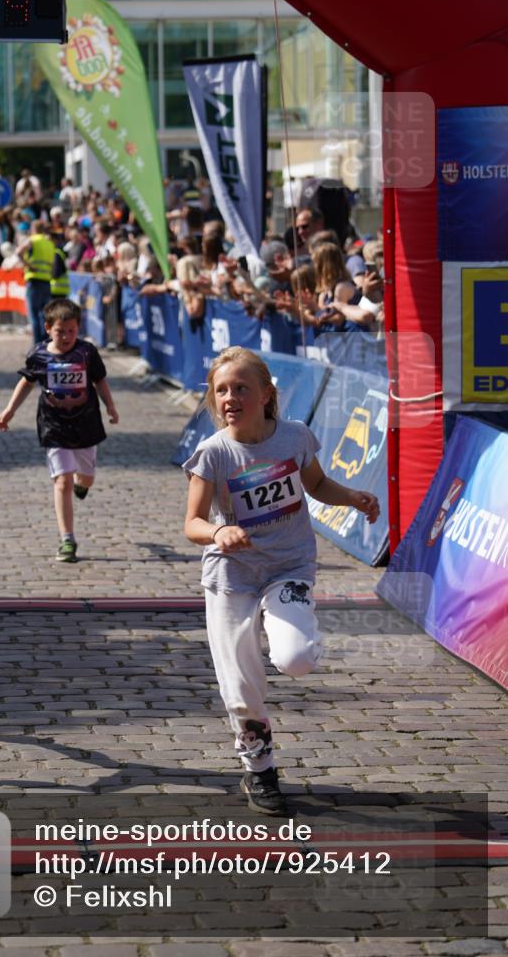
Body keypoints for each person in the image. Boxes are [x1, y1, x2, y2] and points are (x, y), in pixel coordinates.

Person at [183, 347, 379, 814]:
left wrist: (350, 496)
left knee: (294, 658)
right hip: (231, 576)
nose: (231, 397)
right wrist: (219, 530)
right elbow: (191, 522)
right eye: (222, 390)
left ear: (268, 394)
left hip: (288, 566)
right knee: (240, 686)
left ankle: (292, 627)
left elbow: (316, 485)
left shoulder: (294, 437)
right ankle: (260, 771)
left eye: (242, 388)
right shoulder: (213, 454)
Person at [0, 298, 119, 563]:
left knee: (85, 478)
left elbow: (100, 380)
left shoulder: (86, 353)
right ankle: (67, 539)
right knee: (61, 480)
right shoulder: (39, 354)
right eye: (60, 331)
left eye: (71, 331)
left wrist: (110, 406)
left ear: (79, 328)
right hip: (54, 425)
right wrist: (10, 410)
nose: (65, 337)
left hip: (86, 423)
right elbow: (27, 382)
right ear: (48, 328)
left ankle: (81, 484)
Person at [17, 220, 55, 344]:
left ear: (33, 229)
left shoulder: (32, 240)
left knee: (33, 315)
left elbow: (18, 252)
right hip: (46, 281)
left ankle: (37, 346)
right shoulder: (50, 243)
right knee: (44, 315)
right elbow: (52, 264)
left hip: (34, 280)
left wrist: (28, 265)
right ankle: (45, 343)